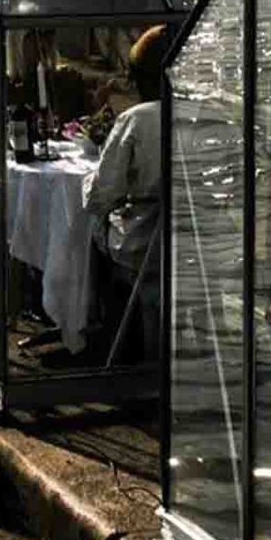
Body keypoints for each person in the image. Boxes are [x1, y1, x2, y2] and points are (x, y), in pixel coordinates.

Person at [82, 24, 169, 360]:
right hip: (199, 243)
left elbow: (99, 196)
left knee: (93, 232)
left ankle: (107, 340)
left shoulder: (136, 120)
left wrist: (88, 177)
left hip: (144, 246)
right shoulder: (205, 113)